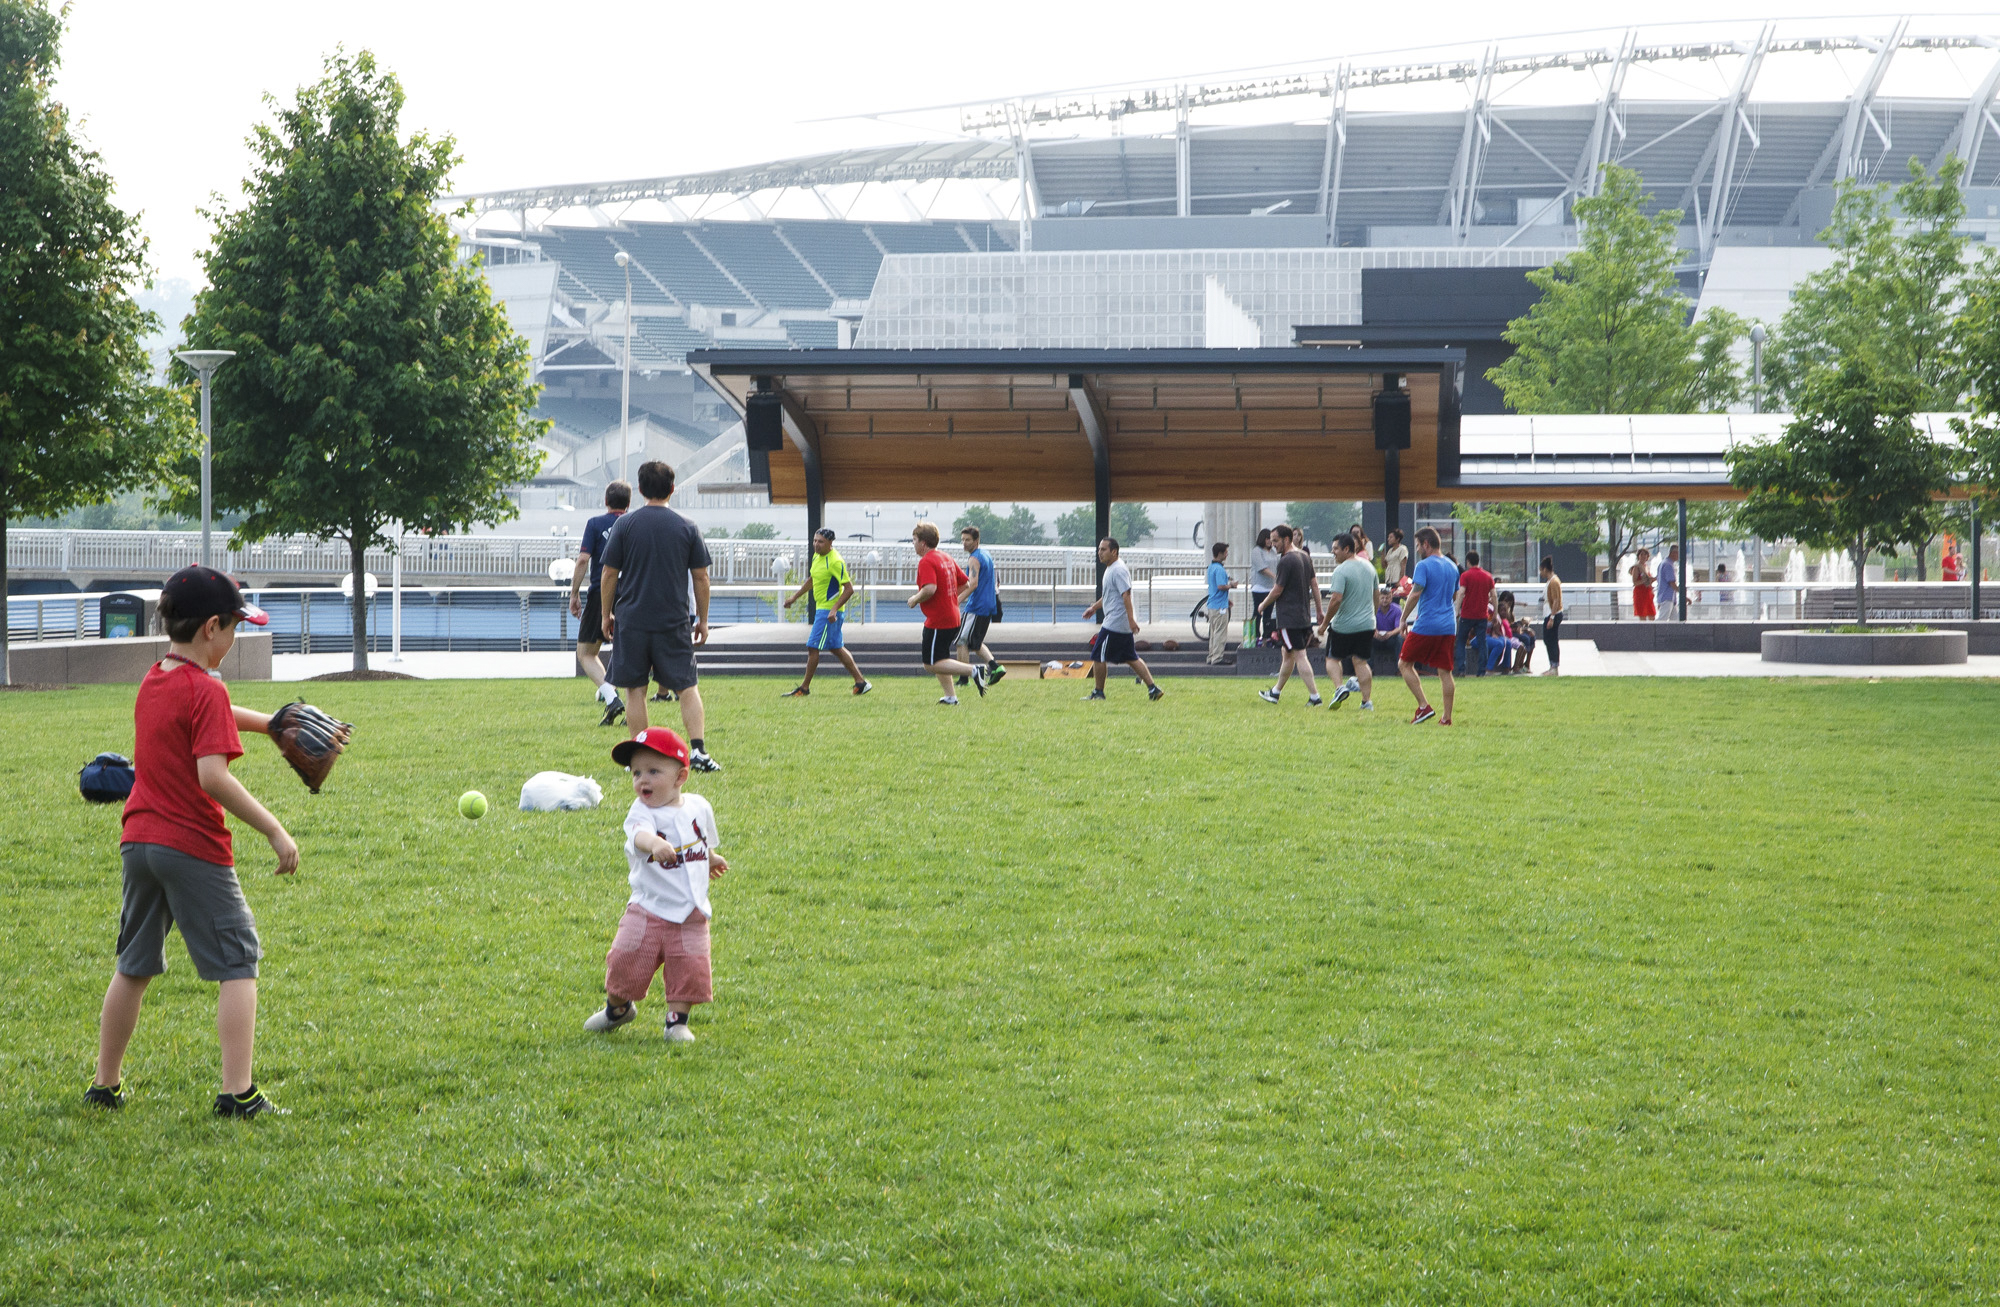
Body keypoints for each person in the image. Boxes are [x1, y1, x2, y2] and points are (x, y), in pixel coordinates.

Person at [89, 566, 297, 1118]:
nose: (235, 640)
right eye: (234, 628)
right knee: (238, 960)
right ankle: (238, 1093)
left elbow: (210, 712)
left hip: (140, 842)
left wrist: (271, 724)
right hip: (191, 845)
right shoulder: (206, 687)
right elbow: (212, 775)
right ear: (211, 627)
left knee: (132, 964)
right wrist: (274, 829)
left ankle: (104, 1084)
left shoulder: (156, 675)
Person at [585, 728, 727, 1044]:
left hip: (691, 911)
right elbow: (638, 834)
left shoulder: (699, 806)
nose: (642, 780)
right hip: (648, 907)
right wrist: (653, 844)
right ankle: (618, 1009)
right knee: (625, 958)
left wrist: (712, 858)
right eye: (636, 773)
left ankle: (677, 1022)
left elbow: (701, 841)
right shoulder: (641, 811)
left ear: (680, 777)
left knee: (689, 966)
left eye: (653, 771)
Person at [599, 460, 721, 772]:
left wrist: (606, 614)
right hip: (673, 620)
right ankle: (698, 752)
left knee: (635, 689)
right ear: (672, 488)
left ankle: (640, 753)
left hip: (632, 618)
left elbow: (609, 574)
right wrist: (703, 620)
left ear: (640, 490)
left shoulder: (624, 525)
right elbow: (701, 578)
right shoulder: (687, 526)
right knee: (686, 685)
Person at [780, 527, 871, 698]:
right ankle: (861, 682)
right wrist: (794, 598)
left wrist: (834, 609)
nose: (816, 544)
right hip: (824, 610)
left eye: (820, 541)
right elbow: (812, 580)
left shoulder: (836, 561)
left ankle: (804, 688)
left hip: (828, 613)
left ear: (830, 543)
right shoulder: (817, 557)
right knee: (836, 648)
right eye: (815, 541)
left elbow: (849, 589)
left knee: (812, 646)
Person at [570, 480, 631, 726]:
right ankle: (631, 711)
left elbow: (584, 559)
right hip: (631, 593)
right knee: (630, 653)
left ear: (606, 501)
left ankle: (611, 696)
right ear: (628, 503)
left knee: (586, 652)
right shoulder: (634, 523)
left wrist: (574, 593)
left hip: (600, 592)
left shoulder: (595, 524)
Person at [908, 521, 984, 704]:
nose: (913, 544)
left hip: (938, 619)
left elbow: (930, 589)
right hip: (952, 616)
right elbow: (964, 584)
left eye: (914, 540)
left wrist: (915, 599)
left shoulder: (926, 561)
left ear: (923, 542)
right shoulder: (945, 557)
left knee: (931, 663)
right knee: (940, 658)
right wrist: (950, 600)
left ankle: (974, 670)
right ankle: (951, 697)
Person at [1080, 536, 1163, 701]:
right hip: (1119, 622)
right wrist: (1094, 608)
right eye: (1099, 549)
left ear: (1114, 551)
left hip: (1115, 622)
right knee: (1131, 657)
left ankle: (1099, 692)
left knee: (1097, 655)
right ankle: (1153, 689)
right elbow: (1110, 596)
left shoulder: (1118, 569)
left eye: (1103, 550)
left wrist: (1131, 620)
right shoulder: (1111, 569)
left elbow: (1126, 595)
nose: (1099, 553)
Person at [1394, 527, 1458, 725]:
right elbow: (1454, 596)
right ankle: (1446, 718)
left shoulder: (1423, 565)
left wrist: (1403, 618)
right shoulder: (1452, 566)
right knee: (1445, 671)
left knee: (1404, 663)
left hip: (1428, 624)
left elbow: (1415, 593)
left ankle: (1423, 706)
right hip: (1449, 625)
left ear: (1426, 544)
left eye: (1418, 546)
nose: (1418, 549)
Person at [1257, 524, 1322, 707]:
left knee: (1299, 655)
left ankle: (1315, 696)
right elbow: (1314, 585)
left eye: (1276, 540)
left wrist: (1263, 604)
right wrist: (1319, 610)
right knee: (1287, 653)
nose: (1272, 544)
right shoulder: (1304, 556)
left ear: (1287, 540)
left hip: (1289, 617)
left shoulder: (1286, 560)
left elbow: (1277, 590)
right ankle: (1275, 693)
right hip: (1303, 615)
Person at [1316, 532, 1378, 710]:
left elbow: (1336, 600)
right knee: (1361, 662)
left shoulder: (1341, 570)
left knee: (1332, 659)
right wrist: (1372, 617)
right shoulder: (1369, 567)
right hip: (1367, 624)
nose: (1333, 552)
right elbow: (1376, 595)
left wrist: (1324, 625)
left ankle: (1339, 688)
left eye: (1335, 548)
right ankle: (1366, 702)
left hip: (1344, 626)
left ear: (1347, 549)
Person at [954, 525, 1007, 685]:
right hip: (989, 604)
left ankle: (963, 678)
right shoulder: (985, 554)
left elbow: (973, 583)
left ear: (976, 540)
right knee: (975, 643)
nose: (964, 543)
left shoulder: (974, 558)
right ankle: (996, 667)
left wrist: (957, 600)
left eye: (968, 540)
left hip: (977, 606)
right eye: (962, 539)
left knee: (961, 641)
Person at [1454, 549, 1496, 677]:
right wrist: (1495, 613)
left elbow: (1461, 593)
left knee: (1461, 640)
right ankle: (1481, 671)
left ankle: (1461, 669)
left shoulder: (1465, 576)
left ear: (1468, 562)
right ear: (1478, 561)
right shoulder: (1488, 576)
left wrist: (1457, 611)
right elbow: (1494, 595)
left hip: (1467, 614)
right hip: (1482, 615)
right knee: (1483, 642)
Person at [1204, 541, 1235, 665]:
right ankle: (1217, 658)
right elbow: (1221, 586)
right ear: (1220, 553)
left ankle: (1211, 656)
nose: (1227, 555)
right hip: (1220, 606)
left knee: (1213, 632)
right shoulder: (1220, 569)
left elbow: (1215, 587)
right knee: (1220, 633)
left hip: (1212, 604)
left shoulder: (1211, 567)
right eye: (1226, 552)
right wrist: (1232, 585)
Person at [1248, 528, 1278, 646]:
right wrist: (1275, 576)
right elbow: (1261, 568)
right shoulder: (1256, 551)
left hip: (1270, 588)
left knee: (1268, 613)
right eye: (1268, 539)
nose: (1270, 541)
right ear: (1263, 539)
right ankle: (1255, 635)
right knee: (1258, 611)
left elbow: (1277, 563)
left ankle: (1267, 636)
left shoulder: (1273, 551)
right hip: (1259, 587)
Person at [1539, 557, 1565, 676]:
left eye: (1541, 570)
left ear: (1545, 569)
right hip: (1549, 614)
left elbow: (1555, 600)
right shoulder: (1551, 581)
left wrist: (1552, 618)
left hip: (1552, 614)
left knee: (1551, 640)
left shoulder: (1554, 582)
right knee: (1549, 640)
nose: (1541, 573)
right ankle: (1552, 666)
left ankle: (1554, 666)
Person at [1631, 548, 1657, 620]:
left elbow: (1648, 580)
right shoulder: (1636, 567)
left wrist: (1653, 579)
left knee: (1652, 615)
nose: (1643, 556)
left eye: (1645, 554)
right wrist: (1644, 580)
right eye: (1641, 554)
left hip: (1648, 594)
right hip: (1640, 594)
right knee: (1642, 616)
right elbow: (1635, 582)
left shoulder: (1646, 567)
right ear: (1638, 556)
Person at [1657, 544, 1681, 617]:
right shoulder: (1668, 565)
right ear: (1673, 553)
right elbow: (1672, 583)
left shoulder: (1663, 563)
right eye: (1678, 553)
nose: (1679, 556)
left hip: (1667, 597)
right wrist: (1682, 594)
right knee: (1662, 620)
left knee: (1675, 621)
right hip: (1667, 597)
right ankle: (1654, 628)